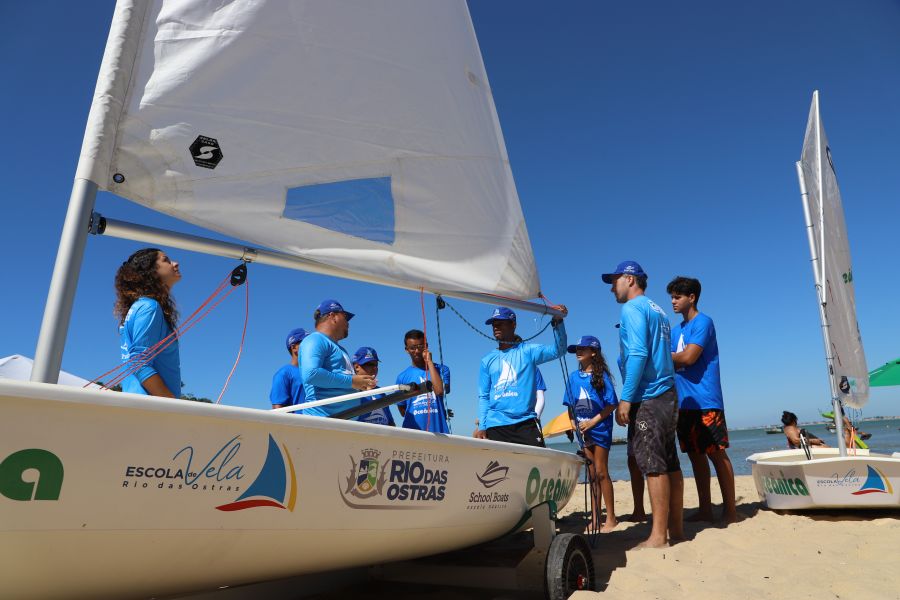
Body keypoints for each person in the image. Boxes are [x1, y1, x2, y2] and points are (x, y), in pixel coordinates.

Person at [602, 260, 683, 548]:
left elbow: (637, 354)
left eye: (615, 281)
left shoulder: (632, 308)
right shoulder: (658, 309)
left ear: (630, 279)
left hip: (648, 395)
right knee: (670, 461)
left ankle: (659, 536)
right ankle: (676, 529)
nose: (612, 288)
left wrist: (626, 397)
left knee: (653, 464)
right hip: (668, 393)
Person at [667, 276, 738, 524]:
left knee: (717, 454)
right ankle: (705, 509)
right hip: (683, 402)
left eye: (677, 296)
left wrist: (665, 354)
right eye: (672, 297)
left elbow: (689, 358)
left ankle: (731, 510)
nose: (673, 302)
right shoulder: (675, 330)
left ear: (692, 297)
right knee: (695, 457)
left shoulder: (704, 322)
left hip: (706, 400)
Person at [475, 304, 568, 447]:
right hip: (496, 425)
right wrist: (482, 425)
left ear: (513, 325)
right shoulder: (486, 360)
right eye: (493, 324)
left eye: (500, 323)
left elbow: (559, 350)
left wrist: (558, 322)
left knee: (538, 468)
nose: (495, 327)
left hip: (525, 424)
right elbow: (484, 396)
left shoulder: (528, 351)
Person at [563, 335, 619, 533]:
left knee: (602, 472)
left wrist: (593, 421)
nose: (578, 352)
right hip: (582, 432)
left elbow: (612, 404)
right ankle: (596, 518)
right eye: (576, 349)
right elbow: (570, 406)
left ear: (593, 352)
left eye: (582, 348)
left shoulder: (601, 376)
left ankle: (611, 518)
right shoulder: (573, 377)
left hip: (601, 429)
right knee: (591, 474)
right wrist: (573, 424)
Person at [115, 248, 182, 398]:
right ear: (150, 271)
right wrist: (172, 404)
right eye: (166, 260)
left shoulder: (138, 307)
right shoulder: (149, 307)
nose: (175, 263)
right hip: (152, 409)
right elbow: (139, 362)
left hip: (140, 406)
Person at [300, 299, 376, 416]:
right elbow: (311, 374)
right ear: (333, 316)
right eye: (345, 317)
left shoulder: (341, 349)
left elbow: (341, 382)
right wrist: (352, 381)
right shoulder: (315, 339)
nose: (348, 323)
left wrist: (361, 385)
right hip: (322, 422)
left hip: (341, 423)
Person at [396, 330, 450, 433]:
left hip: (439, 431)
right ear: (406, 350)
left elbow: (439, 391)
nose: (416, 351)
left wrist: (429, 362)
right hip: (413, 433)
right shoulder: (401, 377)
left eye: (420, 347)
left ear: (426, 346)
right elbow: (402, 410)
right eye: (412, 348)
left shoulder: (443, 369)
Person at [353, 347, 395, 426]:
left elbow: (390, 422)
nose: (375, 368)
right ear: (357, 367)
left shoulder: (381, 392)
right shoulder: (349, 392)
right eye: (370, 364)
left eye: (376, 365)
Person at [270, 328, 307, 409]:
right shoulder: (284, 374)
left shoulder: (316, 371)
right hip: (300, 421)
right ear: (294, 347)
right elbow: (277, 409)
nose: (311, 345)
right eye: (306, 342)